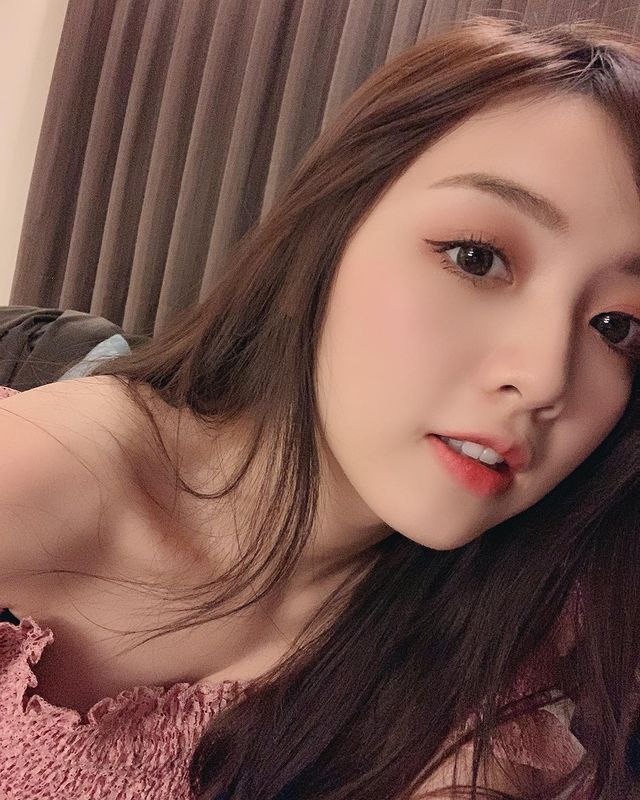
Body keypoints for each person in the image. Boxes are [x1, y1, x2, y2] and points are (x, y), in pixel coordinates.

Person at [0, 14, 639, 800]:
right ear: (329, 233)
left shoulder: (510, 627)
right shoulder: (55, 469)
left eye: (617, 326)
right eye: (477, 258)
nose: (544, 379)